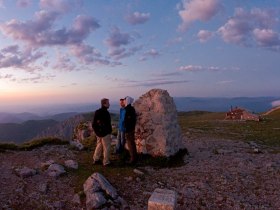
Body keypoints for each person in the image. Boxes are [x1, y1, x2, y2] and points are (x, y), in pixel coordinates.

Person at [92, 98, 112, 166]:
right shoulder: (105, 112)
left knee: (99, 146)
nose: (109, 104)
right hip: (105, 133)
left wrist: (97, 132)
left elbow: (94, 124)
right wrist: (108, 131)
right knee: (107, 147)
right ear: (104, 104)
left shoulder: (98, 111)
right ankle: (106, 162)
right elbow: (106, 124)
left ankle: (96, 159)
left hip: (99, 133)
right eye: (108, 103)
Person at [123, 96, 137, 164]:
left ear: (127, 101)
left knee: (130, 144)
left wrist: (126, 127)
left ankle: (132, 159)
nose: (124, 101)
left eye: (125, 100)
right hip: (131, 128)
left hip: (129, 129)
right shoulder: (131, 109)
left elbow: (128, 120)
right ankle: (133, 157)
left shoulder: (128, 109)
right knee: (132, 143)